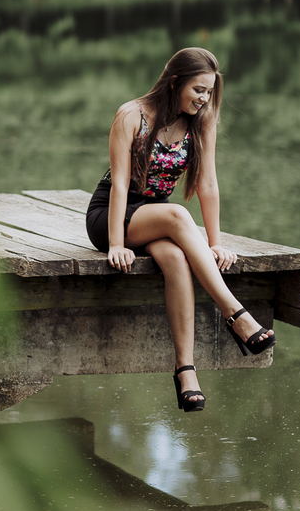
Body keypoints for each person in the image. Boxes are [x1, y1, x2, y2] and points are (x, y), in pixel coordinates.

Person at [85, 48, 274, 413]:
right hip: (112, 214)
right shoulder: (132, 115)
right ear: (175, 81)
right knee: (177, 216)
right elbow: (121, 185)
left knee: (175, 259)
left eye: (209, 93)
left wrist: (216, 245)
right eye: (198, 90)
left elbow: (208, 184)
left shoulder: (200, 121)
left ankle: (186, 371)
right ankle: (237, 316)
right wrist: (115, 243)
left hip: (155, 216)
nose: (204, 99)